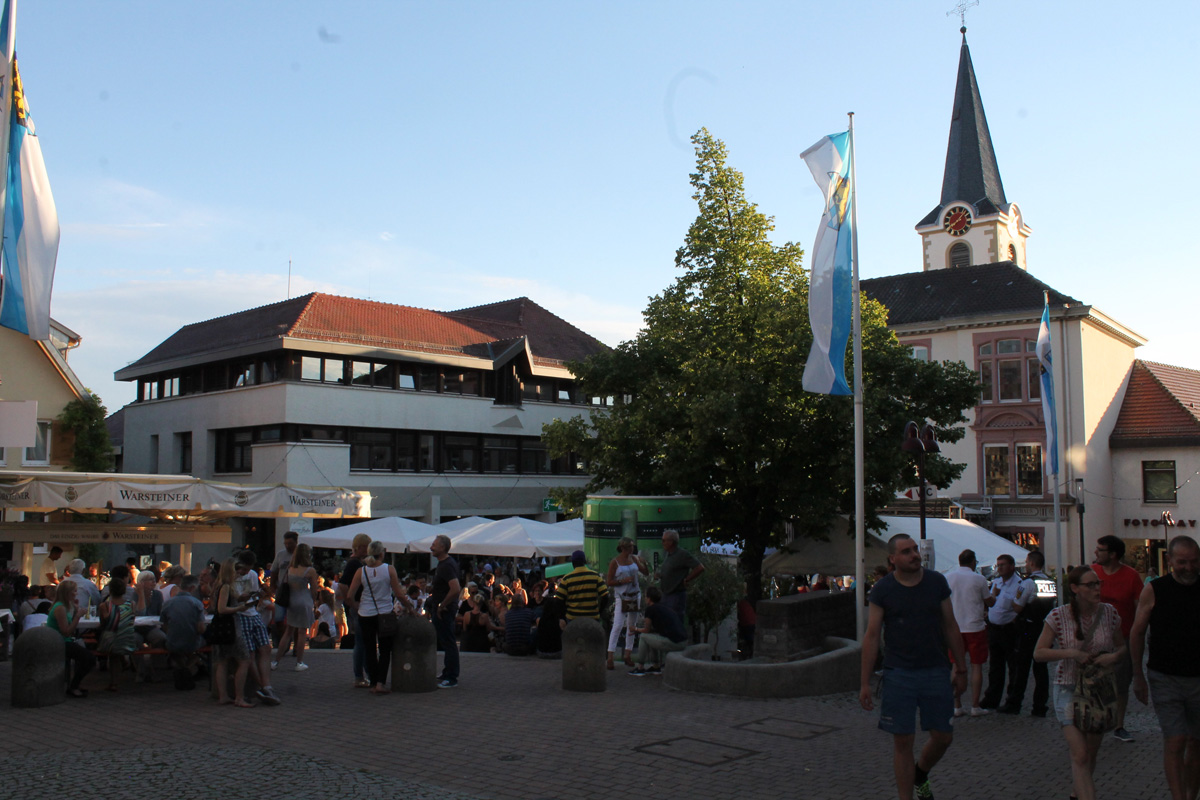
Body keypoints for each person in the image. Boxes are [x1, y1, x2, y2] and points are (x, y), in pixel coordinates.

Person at [859, 534, 966, 800]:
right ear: (892, 559)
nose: (914, 555)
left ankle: (921, 772)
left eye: (915, 549)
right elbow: (872, 635)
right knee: (903, 741)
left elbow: (950, 625)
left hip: (935, 670)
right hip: (899, 674)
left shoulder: (936, 582)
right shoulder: (883, 590)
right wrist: (864, 682)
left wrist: (961, 667)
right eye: (906, 551)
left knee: (943, 736)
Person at [1034, 566, 1126, 800]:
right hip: (1067, 688)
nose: (1097, 589)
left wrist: (1113, 657)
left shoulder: (1109, 613)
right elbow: (1039, 653)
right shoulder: (1058, 616)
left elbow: (1122, 646)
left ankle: (1078, 793)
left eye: (1098, 584)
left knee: (1091, 753)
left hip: (1098, 690)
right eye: (1090, 585)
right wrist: (1072, 653)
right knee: (1081, 754)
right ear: (1075, 589)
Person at [1130, 535, 1200, 800]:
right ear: (1169, 561)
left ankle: (1191, 793)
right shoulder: (1155, 589)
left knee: (1196, 743)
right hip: (1165, 676)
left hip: (1198, 677)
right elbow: (1137, 633)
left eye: (1194, 561)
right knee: (1176, 739)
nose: (1189, 568)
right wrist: (1138, 676)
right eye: (1182, 562)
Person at [346, 540, 416, 695]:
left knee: (369, 649)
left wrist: (359, 607)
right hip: (384, 613)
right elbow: (398, 593)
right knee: (385, 650)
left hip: (365, 614)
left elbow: (349, 596)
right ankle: (380, 683)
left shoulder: (361, 571)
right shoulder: (389, 569)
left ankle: (372, 682)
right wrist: (409, 607)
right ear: (382, 553)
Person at [1092, 534, 1142, 742]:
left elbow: (1140, 607)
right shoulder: (1092, 573)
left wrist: (1139, 634)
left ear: (1112, 554)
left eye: (1100, 550)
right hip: (1095, 639)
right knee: (1095, 682)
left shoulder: (1131, 576)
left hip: (1123, 639)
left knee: (1121, 684)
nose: (1095, 553)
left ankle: (1119, 725)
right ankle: (1097, 720)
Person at [944, 548, 994, 717]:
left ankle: (956, 704)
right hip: (974, 626)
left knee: (956, 665)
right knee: (976, 665)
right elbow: (990, 601)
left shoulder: (948, 578)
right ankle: (975, 705)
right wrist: (995, 594)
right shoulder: (979, 579)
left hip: (955, 627)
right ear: (973, 562)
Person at [1007, 550, 1056, 717]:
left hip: (1028, 628)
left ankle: (1014, 703)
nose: (1026, 565)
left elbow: (1018, 606)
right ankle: (1040, 706)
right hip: (1045, 628)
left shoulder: (1027, 583)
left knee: (1022, 667)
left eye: (1027, 562)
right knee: (1041, 669)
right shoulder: (1050, 582)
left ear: (1032, 563)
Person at [233, 551, 280, 705]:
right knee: (250, 653)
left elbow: (253, 595)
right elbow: (233, 597)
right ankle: (262, 686)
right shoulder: (232, 576)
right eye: (244, 569)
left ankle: (266, 686)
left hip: (252, 612)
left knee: (265, 647)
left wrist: (255, 597)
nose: (245, 572)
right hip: (240, 614)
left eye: (248, 569)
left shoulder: (252, 575)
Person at [981, 553, 1022, 711]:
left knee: (1013, 665)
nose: (1000, 568)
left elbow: (1020, 605)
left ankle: (1012, 699)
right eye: (998, 565)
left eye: (1003, 565)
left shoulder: (1019, 583)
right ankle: (992, 698)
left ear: (1012, 566)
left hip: (1009, 629)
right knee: (995, 666)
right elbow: (993, 603)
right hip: (994, 628)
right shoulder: (996, 582)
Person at [213, 558, 255, 708]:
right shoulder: (225, 586)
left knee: (222, 661)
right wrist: (239, 609)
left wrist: (245, 597)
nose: (240, 573)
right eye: (237, 570)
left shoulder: (222, 586)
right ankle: (239, 696)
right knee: (244, 660)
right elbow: (222, 608)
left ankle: (223, 695)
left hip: (221, 627)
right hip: (230, 626)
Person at [46, 580, 96, 698]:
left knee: (86, 655)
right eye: (74, 591)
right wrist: (78, 616)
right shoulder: (60, 608)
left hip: (63, 640)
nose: (76, 593)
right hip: (59, 642)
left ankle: (74, 684)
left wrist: (74, 611)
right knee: (89, 658)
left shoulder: (64, 606)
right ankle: (74, 686)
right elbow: (66, 632)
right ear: (67, 593)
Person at [605, 536, 648, 670]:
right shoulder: (615, 562)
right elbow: (609, 581)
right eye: (630, 546)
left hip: (635, 595)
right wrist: (622, 581)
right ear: (623, 547)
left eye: (632, 546)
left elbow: (645, 572)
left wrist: (644, 563)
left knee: (632, 625)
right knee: (617, 625)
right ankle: (610, 656)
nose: (632, 548)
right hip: (622, 596)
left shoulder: (633, 558)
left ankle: (627, 654)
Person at [159, 573, 207, 689]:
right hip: (192, 643)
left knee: (175, 651)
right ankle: (187, 669)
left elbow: (164, 626)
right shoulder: (196, 603)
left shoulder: (167, 603)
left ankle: (182, 670)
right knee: (204, 646)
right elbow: (200, 629)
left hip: (172, 642)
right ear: (192, 588)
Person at [274, 543, 317, 672]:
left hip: (291, 600)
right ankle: (299, 661)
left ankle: (276, 661)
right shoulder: (310, 570)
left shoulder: (290, 568)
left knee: (288, 632)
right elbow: (314, 591)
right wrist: (313, 601)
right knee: (302, 632)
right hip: (304, 601)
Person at [337, 532, 371, 688]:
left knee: (362, 642)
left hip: (358, 605)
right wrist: (352, 602)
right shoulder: (355, 564)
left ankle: (363, 674)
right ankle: (361, 675)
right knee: (362, 642)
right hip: (358, 606)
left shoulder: (356, 563)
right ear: (362, 547)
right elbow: (343, 585)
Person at [628, 586, 687, 676]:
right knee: (652, 636)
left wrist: (635, 629)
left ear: (649, 598)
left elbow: (646, 630)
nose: (645, 599)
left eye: (645, 597)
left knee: (644, 637)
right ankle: (655, 666)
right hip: (682, 641)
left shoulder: (650, 609)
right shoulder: (663, 607)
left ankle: (640, 667)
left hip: (674, 642)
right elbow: (651, 630)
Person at [429, 533, 462, 688]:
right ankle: (447, 671)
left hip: (445, 610)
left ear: (442, 547)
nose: (431, 547)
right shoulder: (445, 564)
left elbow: (455, 588)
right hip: (442, 608)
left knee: (448, 642)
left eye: (434, 545)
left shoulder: (447, 565)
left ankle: (451, 676)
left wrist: (442, 605)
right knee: (446, 641)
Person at [96, 578, 138, 692]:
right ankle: (124, 662)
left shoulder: (104, 606)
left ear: (110, 590)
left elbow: (103, 624)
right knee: (117, 643)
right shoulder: (132, 604)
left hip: (111, 640)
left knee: (111, 647)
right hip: (128, 638)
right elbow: (131, 620)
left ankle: (114, 682)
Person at [656, 529, 704, 622]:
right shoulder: (669, 554)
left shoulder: (682, 554)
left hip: (676, 595)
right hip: (666, 594)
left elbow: (699, 567)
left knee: (674, 621)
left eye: (664, 540)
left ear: (671, 542)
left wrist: (687, 579)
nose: (662, 543)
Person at [556, 550, 609, 622]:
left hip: (573, 618)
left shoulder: (567, 579)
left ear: (573, 563)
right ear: (584, 562)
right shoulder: (595, 576)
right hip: (592, 618)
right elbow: (605, 596)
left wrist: (562, 617)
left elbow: (559, 600)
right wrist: (599, 611)